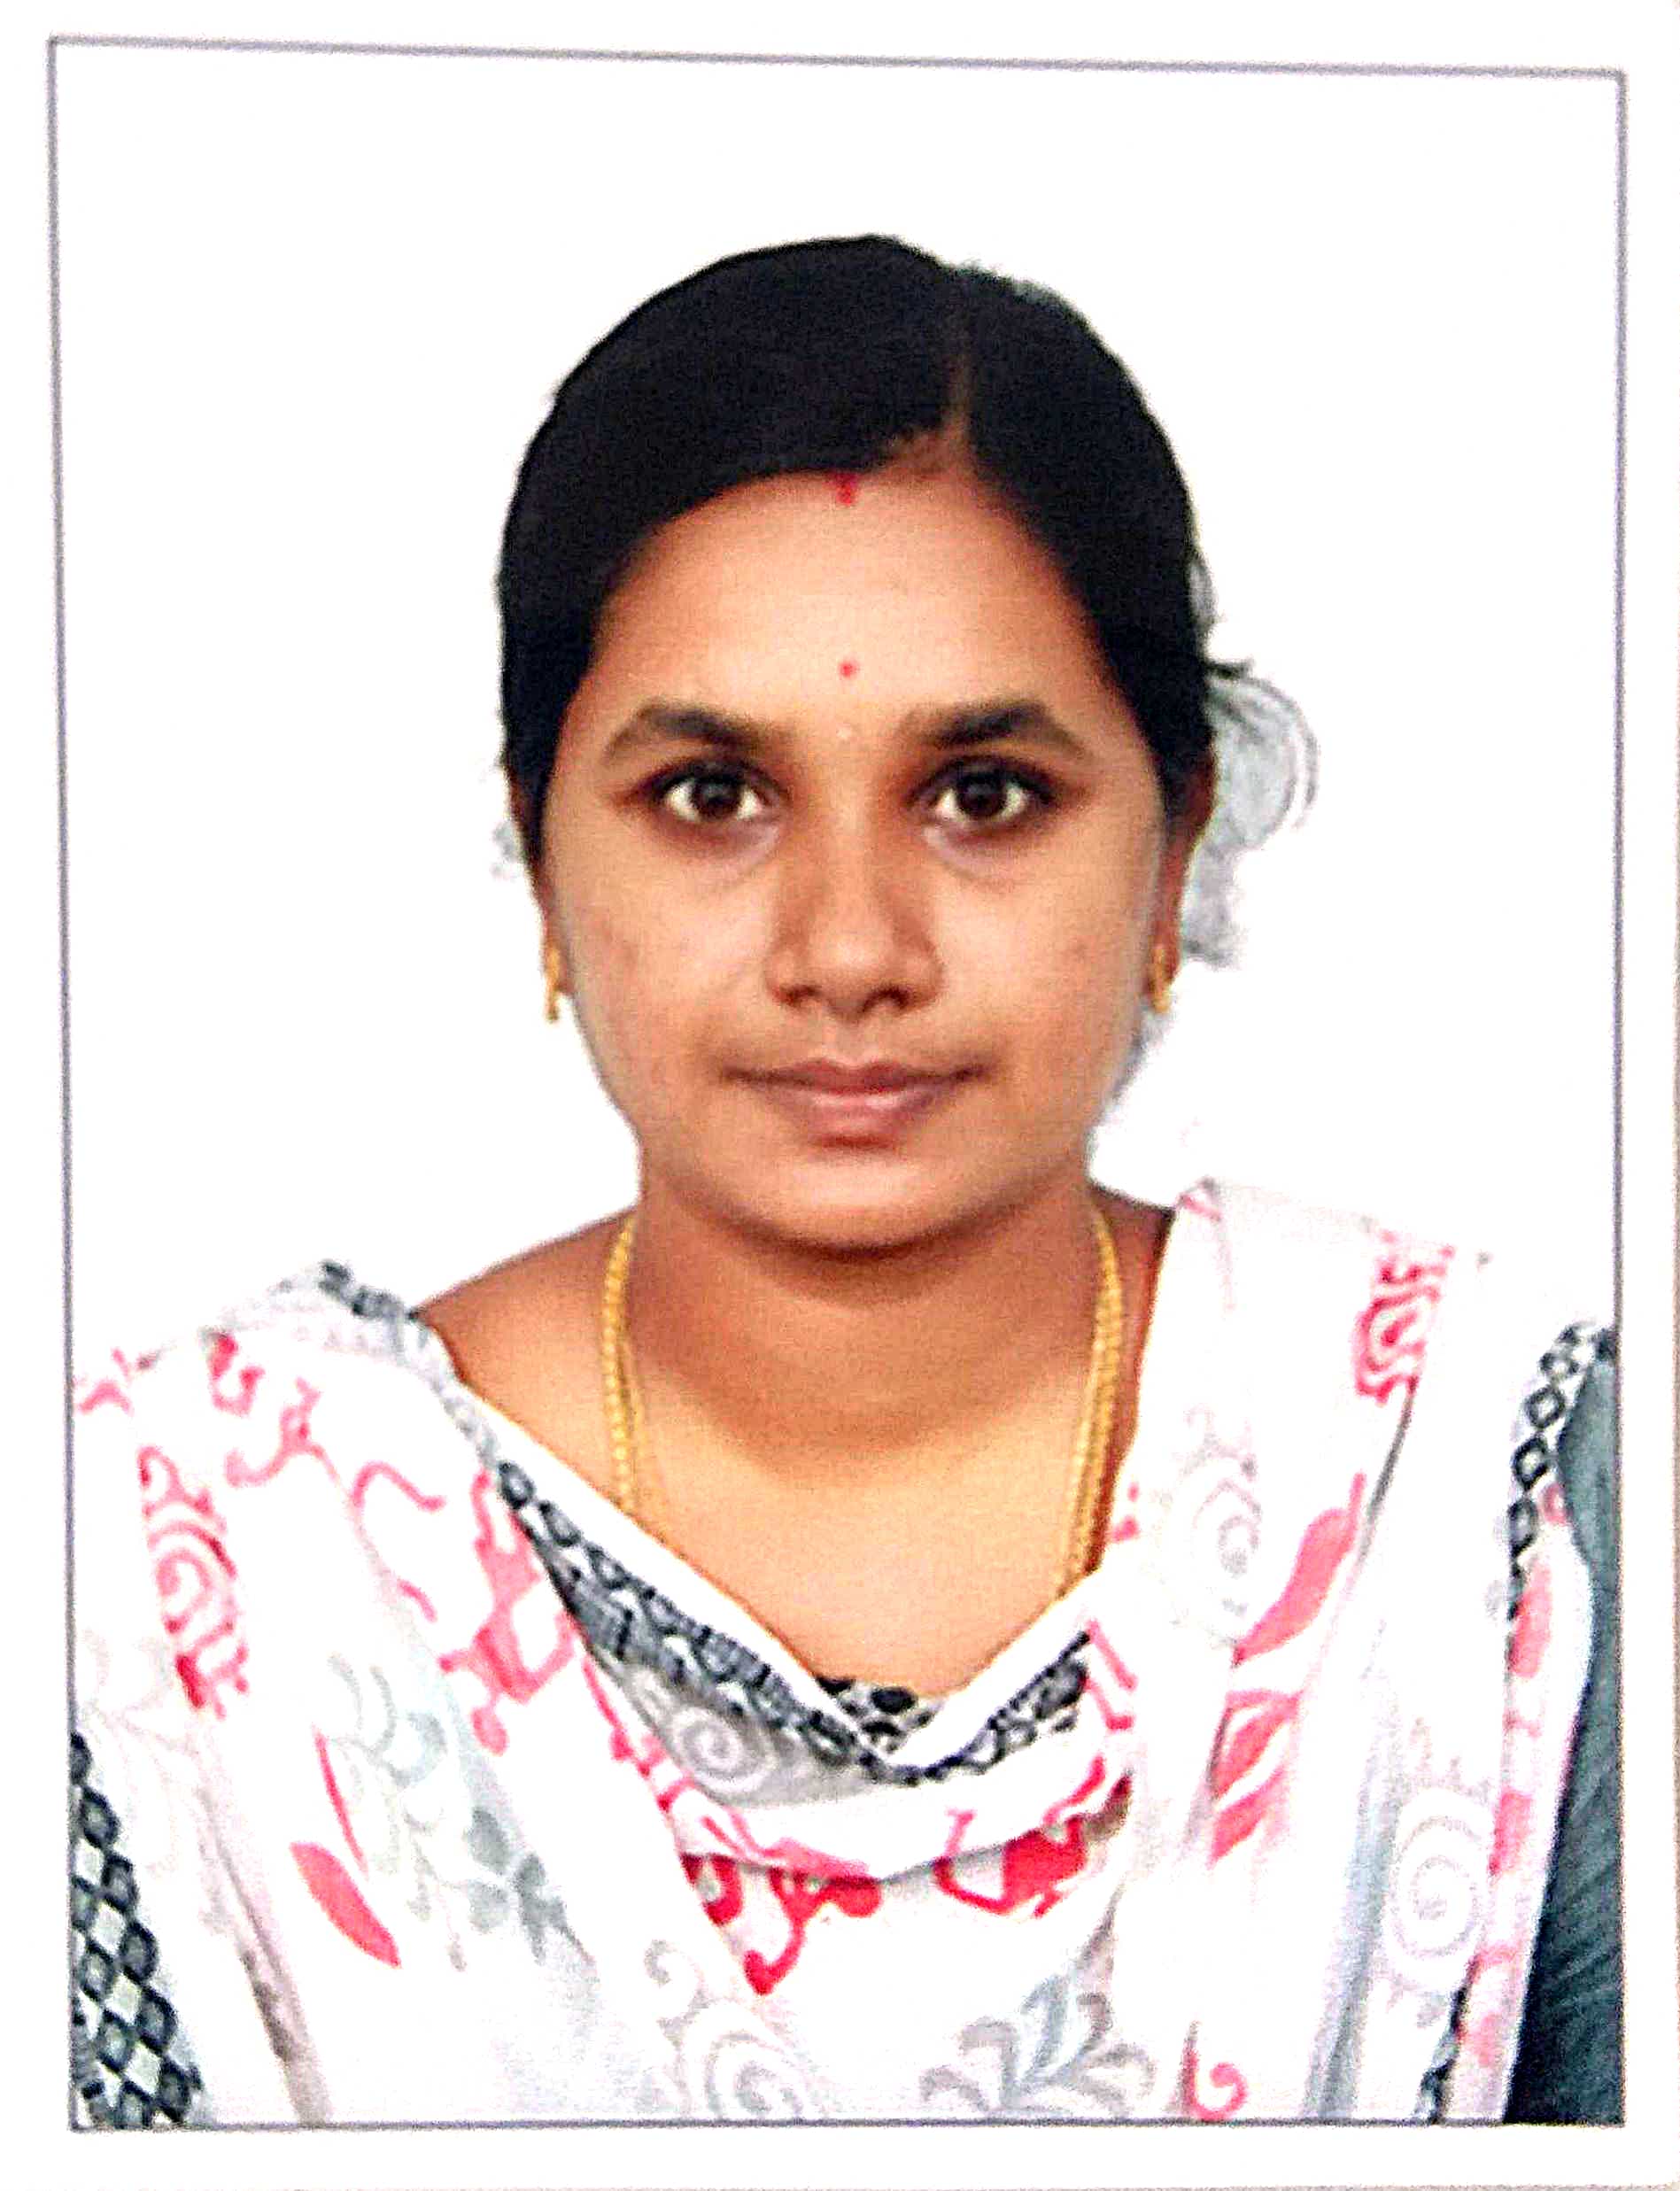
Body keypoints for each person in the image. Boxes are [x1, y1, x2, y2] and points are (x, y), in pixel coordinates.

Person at [69, 236, 1618, 2126]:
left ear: (1173, 840)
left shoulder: (1475, 1501)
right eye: (713, 796)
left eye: (983, 793)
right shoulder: (180, 1567)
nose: (850, 948)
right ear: (543, 854)